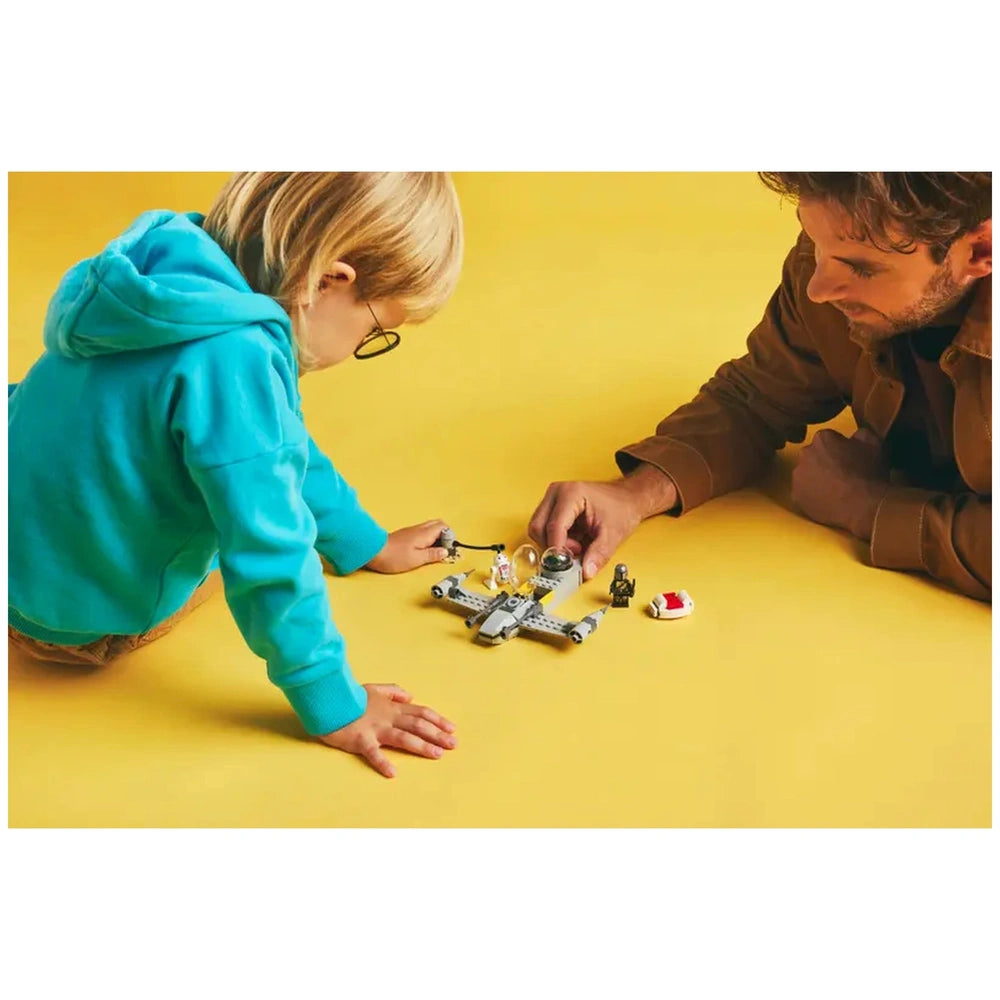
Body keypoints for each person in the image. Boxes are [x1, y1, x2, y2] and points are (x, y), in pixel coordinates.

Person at [8, 172, 465, 778]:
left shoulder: (163, 271)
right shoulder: (233, 355)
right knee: (240, 523)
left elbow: (275, 444)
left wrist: (365, 542)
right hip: (66, 621)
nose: (364, 346)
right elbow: (270, 550)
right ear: (330, 279)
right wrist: (335, 701)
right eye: (376, 329)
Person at [528, 172, 991, 602]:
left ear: (979, 251)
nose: (818, 289)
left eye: (862, 269)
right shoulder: (841, 249)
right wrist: (632, 495)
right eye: (815, 242)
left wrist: (865, 505)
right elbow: (757, 397)